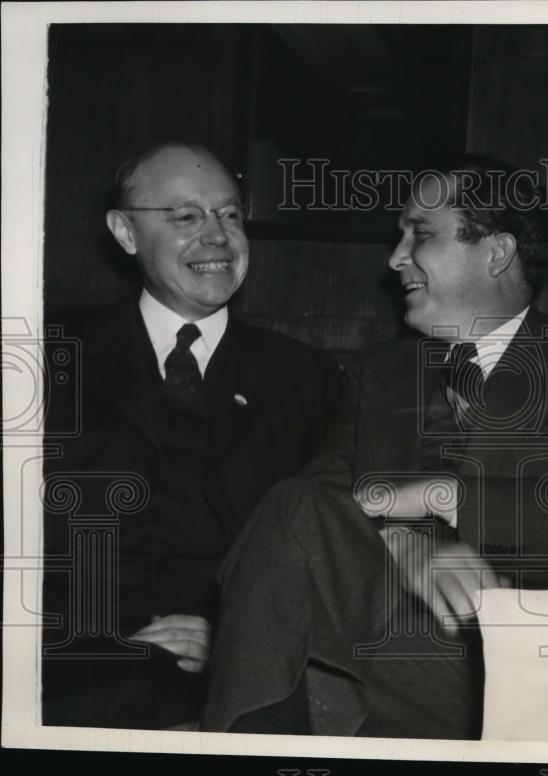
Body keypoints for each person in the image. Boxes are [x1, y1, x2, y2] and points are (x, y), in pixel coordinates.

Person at [201, 156, 548, 738]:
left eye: (419, 233)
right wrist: (400, 543)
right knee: (294, 507)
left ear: (496, 252)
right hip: (374, 640)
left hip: (520, 657)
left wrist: (440, 496)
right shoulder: (379, 374)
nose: (395, 258)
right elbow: (309, 515)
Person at [42, 141, 340, 729]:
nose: (218, 237)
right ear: (125, 233)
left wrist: (236, 635)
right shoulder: (47, 355)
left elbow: (327, 551)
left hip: (226, 681)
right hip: (59, 673)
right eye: (185, 217)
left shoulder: (306, 379)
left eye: (230, 215)